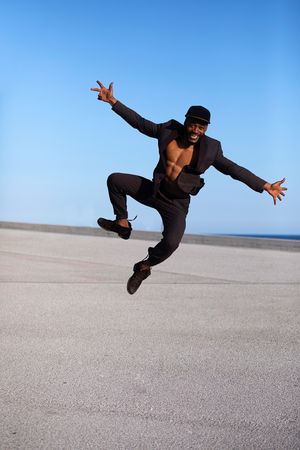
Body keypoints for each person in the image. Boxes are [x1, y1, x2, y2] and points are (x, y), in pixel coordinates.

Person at [90, 80, 287, 295]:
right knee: (116, 180)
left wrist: (265, 185)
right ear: (186, 122)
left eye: (201, 127)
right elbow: (140, 123)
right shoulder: (168, 130)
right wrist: (113, 102)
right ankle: (123, 224)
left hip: (176, 202)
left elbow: (233, 169)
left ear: (206, 128)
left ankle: (144, 267)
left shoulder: (211, 149)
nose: (196, 130)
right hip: (155, 190)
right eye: (193, 125)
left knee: (172, 242)